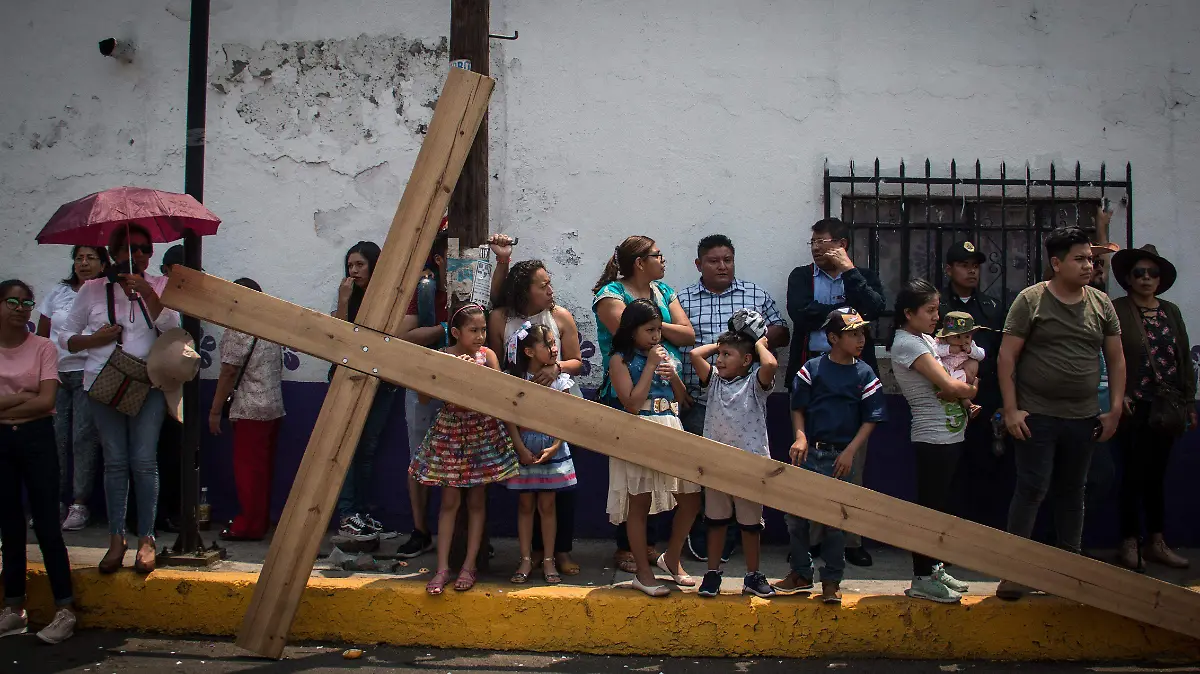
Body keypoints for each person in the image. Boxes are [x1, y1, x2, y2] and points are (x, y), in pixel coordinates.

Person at [997, 227, 1125, 601]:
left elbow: (1116, 361)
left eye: (1091, 259)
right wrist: (1011, 410)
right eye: (1080, 259)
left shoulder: (1101, 304)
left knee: (1073, 491)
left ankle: (1069, 573)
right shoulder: (1031, 300)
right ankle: (1013, 573)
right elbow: (1007, 357)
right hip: (1037, 415)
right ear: (1057, 263)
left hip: (1084, 418)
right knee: (1032, 488)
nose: (1089, 265)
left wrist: (1114, 410)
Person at [60, 224, 180, 574]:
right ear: (112, 254)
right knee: (115, 461)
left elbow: (173, 330)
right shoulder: (94, 289)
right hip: (104, 381)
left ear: (151, 254)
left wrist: (148, 294)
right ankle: (116, 538)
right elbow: (65, 335)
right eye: (128, 249)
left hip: (149, 381)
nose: (136, 255)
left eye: (143, 249)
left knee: (144, 460)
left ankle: (147, 538)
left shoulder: (158, 285)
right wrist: (92, 339)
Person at [677, 234, 789, 563]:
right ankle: (708, 537)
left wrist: (758, 335)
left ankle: (740, 539)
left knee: (742, 478)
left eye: (727, 259)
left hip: (745, 401)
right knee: (704, 476)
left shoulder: (754, 294)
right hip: (700, 400)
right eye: (714, 260)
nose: (722, 266)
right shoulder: (682, 300)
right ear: (699, 264)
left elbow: (782, 330)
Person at [592, 235, 696, 574]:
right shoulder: (610, 296)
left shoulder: (664, 292)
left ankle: (653, 549)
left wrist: (649, 324)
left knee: (667, 480)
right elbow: (625, 335)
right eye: (658, 255)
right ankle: (629, 548)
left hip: (666, 392)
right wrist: (654, 331)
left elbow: (688, 335)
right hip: (629, 390)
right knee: (636, 480)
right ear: (640, 262)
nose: (664, 261)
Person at [785, 217, 885, 568]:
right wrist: (845, 316)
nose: (816, 248)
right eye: (812, 242)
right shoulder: (801, 276)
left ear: (841, 244)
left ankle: (851, 540)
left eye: (823, 241)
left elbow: (875, 309)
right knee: (808, 460)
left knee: (851, 465)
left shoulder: (863, 276)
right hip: (811, 371)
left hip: (850, 376)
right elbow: (801, 313)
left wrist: (850, 275)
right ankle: (812, 541)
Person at [488, 236, 585, 575]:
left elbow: (578, 362)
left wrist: (556, 368)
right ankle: (529, 556)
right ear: (524, 289)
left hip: (559, 405)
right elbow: (497, 362)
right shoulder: (501, 318)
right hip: (520, 411)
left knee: (562, 486)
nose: (550, 289)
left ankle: (560, 551)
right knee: (529, 493)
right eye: (542, 285)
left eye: (550, 283)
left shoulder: (560, 317)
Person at [781, 308, 887, 604]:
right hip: (810, 453)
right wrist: (800, 437)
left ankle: (831, 580)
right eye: (853, 333)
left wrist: (851, 452)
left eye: (862, 333)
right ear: (832, 338)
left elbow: (871, 418)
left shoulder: (865, 373)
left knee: (836, 521)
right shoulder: (812, 369)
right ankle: (800, 572)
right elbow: (797, 406)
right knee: (796, 516)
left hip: (842, 456)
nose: (860, 339)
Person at [411, 302, 517, 594]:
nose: (481, 336)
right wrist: (453, 373)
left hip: (482, 433)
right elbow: (423, 396)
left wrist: (477, 377)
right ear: (456, 332)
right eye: (474, 330)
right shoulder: (443, 356)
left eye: (483, 330)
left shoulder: (488, 356)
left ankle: (469, 566)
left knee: (477, 503)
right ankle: (443, 567)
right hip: (452, 435)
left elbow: (499, 395)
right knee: (449, 503)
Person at [885, 281, 979, 603]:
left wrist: (962, 387)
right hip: (933, 435)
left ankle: (935, 566)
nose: (937, 317)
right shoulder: (908, 344)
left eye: (938, 309)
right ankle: (922, 576)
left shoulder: (925, 338)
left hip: (950, 432)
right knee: (930, 508)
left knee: (943, 506)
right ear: (909, 313)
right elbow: (949, 385)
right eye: (930, 310)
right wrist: (970, 390)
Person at [606, 299, 701, 597]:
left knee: (691, 496)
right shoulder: (620, 359)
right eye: (649, 330)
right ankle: (643, 574)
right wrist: (648, 367)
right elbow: (631, 403)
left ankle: (671, 558)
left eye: (659, 330)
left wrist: (672, 375)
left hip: (671, 425)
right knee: (640, 503)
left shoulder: (664, 355)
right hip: (640, 429)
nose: (656, 337)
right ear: (632, 330)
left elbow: (683, 400)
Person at [0, 280, 77, 643]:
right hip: (2, 442)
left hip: (37, 438)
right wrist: (25, 395)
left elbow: (47, 401)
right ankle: (14, 608)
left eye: (26, 302)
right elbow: (36, 395)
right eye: (11, 301)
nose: (20, 307)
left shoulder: (44, 347)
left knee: (47, 523)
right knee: (9, 523)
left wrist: (11, 402)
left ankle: (65, 608)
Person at [1110, 245, 1192, 570]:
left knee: (1158, 476)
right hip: (1134, 406)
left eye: (1152, 273)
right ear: (1128, 279)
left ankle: (1157, 542)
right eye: (1139, 273)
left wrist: (1187, 401)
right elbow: (1108, 354)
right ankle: (1129, 543)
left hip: (1167, 405)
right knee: (1132, 476)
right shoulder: (1118, 309)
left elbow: (1183, 357)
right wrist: (1120, 394)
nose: (1146, 279)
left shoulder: (1170, 312)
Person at [688, 312, 777, 599]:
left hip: (749, 466)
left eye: (728, 355)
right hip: (716, 465)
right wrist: (722, 343)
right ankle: (712, 574)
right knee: (715, 522)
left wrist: (759, 343)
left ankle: (752, 575)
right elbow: (694, 354)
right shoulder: (713, 382)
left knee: (750, 525)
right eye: (720, 355)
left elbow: (771, 364)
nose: (720, 360)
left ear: (747, 360)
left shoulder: (755, 384)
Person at [36, 245, 110, 530]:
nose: (83, 263)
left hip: (87, 373)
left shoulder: (105, 293)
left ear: (103, 264)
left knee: (82, 438)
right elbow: (43, 335)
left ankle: (79, 504)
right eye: (79, 258)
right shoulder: (58, 292)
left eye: (91, 258)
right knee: (55, 439)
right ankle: (53, 501)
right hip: (55, 373)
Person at [208, 278, 285, 541]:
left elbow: (229, 371)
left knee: (247, 472)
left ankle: (249, 525)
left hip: (250, 408)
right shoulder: (271, 326)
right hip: (273, 408)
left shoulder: (239, 328)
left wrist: (215, 411)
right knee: (262, 471)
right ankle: (259, 521)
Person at [330, 240, 396, 541]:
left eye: (360, 265)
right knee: (347, 449)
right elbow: (342, 338)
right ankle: (347, 515)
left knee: (367, 449)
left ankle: (360, 513)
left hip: (380, 383)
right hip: (347, 381)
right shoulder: (349, 297)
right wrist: (344, 299)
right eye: (350, 266)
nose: (354, 271)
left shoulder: (387, 299)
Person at [503, 323, 577, 585]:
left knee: (547, 505)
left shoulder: (560, 380)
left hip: (551, 449)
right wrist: (519, 447)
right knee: (525, 505)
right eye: (547, 344)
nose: (554, 348)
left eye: (554, 342)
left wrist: (557, 445)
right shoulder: (515, 379)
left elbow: (567, 416)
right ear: (529, 351)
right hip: (523, 448)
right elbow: (509, 416)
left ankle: (548, 559)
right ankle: (525, 558)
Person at [394, 230, 452, 559]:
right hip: (422, 385)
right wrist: (444, 331)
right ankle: (421, 530)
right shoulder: (426, 291)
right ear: (440, 259)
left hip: (462, 388)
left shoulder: (475, 290)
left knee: (460, 459)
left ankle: (455, 532)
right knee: (419, 459)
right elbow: (402, 335)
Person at [934, 311, 988, 418]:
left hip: (961, 373)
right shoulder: (941, 342)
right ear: (946, 337)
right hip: (946, 372)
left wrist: (970, 351)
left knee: (962, 382)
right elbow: (934, 350)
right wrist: (949, 349)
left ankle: (969, 406)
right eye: (957, 337)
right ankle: (967, 405)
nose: (963, 341)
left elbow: (981, 355)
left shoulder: (970, 345)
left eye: (967, 336)